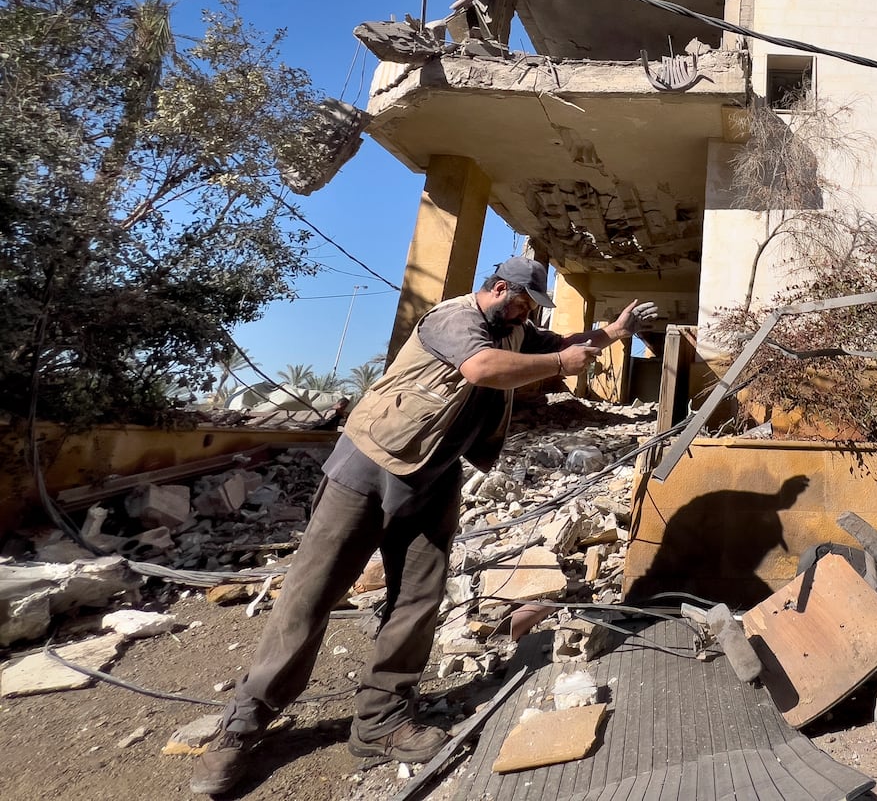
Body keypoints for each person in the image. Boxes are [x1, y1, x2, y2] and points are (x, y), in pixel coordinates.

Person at [192, 256, 656, 795]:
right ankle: (242, 725)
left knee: (417, 597)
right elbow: (482, 369)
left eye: (534, 308)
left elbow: (563, 341)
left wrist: (614, 333)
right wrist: (559, 366)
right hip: (368, 466)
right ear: (498, 288)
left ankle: (381, 720)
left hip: (432, 476)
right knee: (310, 595)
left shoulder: (514, 329)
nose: (529, 313)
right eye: (524, 301)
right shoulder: (454, 319)